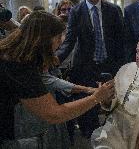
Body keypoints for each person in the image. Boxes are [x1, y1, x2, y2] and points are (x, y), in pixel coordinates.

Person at [0, 11, 115, 148]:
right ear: (44, 39)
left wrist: (89, 90)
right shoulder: (18, 65)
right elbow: (54, 114)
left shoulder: (15, 55)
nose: (60, 42)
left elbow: (47, 80)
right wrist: (96, 97)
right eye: (58, 37)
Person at [56, 0, 124, 138]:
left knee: (114, 105)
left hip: (109, 65)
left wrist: (124, 67)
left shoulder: (113, 10)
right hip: (85, 67)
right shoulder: (76, 12)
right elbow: (69, 41)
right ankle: (90, 137)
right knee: (88, 111)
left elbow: (120, 41)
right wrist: (54, 59)